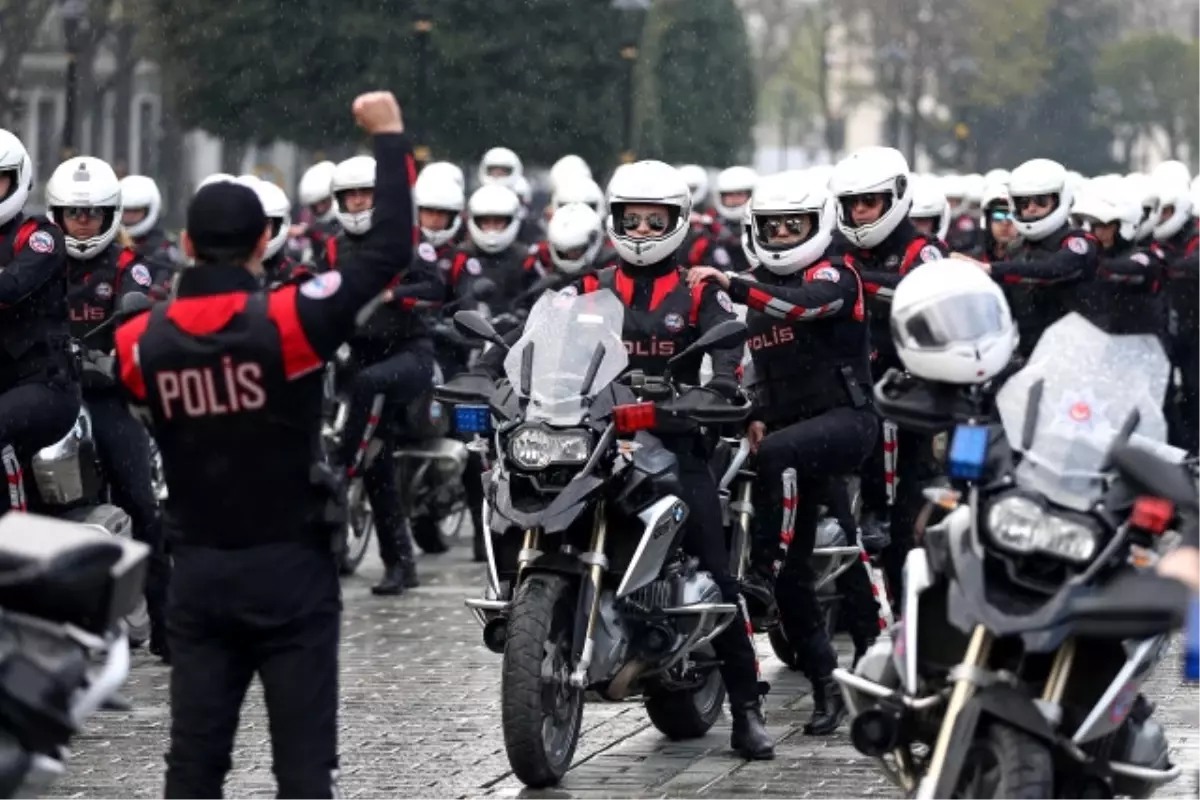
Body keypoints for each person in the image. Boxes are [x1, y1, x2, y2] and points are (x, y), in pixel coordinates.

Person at [113, 90, 412, 798]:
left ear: (185, 245)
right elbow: (389, 253)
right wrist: (391, 138)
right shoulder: (289, 321)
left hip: (199, 573)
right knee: (304, 769)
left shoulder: (139, 342)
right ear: (259, 246)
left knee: (193, 766)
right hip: (291, 570)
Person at [484, 160, 775, 760]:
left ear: (677, 221)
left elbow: (728, 346)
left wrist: (718, 386)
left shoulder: (697, 291)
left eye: (654, 218)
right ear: (613, 222)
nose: (641, 229)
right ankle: (529, 607)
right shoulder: (586, 289)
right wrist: (493, 375)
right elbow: (532, 343)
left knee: (720, 574)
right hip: (594, 433)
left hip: (675, 438)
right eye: (631, 218)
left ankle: (747, 707)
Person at [690, 171, 879, 736]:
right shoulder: (747, 287)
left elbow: (802, 308)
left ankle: (763, 569)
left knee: (775, 462)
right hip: (791, 436)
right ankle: (828, 684)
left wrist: (737, 286)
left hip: (847, 420)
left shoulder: (835, 274)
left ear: (817, 225)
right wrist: (741, 404)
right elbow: (729, 352)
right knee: (806, 576)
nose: (780, 236)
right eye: (770, 227)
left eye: (792, 226)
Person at [46, 154, 171, 660]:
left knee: (140, 500)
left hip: (105, 396)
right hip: (50, 394)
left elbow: (139, 317)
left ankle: (167, 622)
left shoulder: (127, 266)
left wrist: (111, 356)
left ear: (109, 216)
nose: (82, 223)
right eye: (74, 214)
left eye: (92, 214)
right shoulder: (39, 264)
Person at [322, 154, 444, 594]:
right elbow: (316, 287)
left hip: (410, 354)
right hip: (357, 354)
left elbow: (436, 287)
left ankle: (340, 465)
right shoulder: (333, 247)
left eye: (364, 194)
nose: (356, 203)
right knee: (377, 463)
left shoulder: (407, 239)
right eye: (348, 196)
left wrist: (395, 294)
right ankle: (399, 563)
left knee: (367, 390)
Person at [830, 146, 947, 598]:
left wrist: (853, 283)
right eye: (852, 204)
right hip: (842, 381)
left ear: (895, 198)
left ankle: (883, 512)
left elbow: (917, 290)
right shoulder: (836, 248)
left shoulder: (924, 248)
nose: (859, 213)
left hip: (907, 386)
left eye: (869, 202)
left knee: (902, 530)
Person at [0, 129, 80, 515]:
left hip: (45, 384)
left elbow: (12, 286)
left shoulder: (40, 238)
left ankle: (14, 537)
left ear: (16, 181)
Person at [960, 158, 1098, 359]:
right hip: (1026, 359)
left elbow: (1054, 269)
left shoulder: (1081, 242)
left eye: (1041, 201)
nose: (1031, 208)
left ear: (1060, 200)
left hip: (1075, 359)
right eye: (1024, 202)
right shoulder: (1016, 249)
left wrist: (991, 270)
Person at [120, 174, 184, 294]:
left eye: (136, 210)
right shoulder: (110, 244)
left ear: (149, 210)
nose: (129, 216)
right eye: (125, 210)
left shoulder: (164, 249)